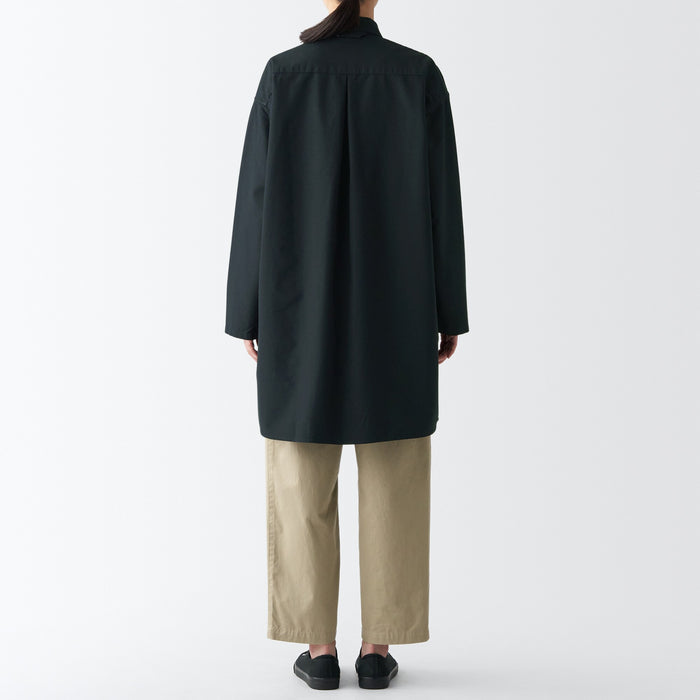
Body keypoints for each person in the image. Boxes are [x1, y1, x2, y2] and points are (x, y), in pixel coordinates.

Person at [225, 0, 468, 690]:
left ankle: (320, 649)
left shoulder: (284, 75)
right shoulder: (417, 75)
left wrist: (247, 311)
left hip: (297, 308)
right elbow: (443, 202)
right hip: (400, 306)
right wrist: (449, 310)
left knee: (301, 472)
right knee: (394, 474)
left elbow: (255, 199)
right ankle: (377, 650)